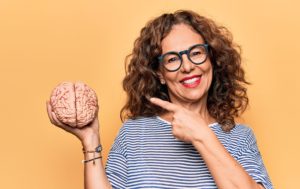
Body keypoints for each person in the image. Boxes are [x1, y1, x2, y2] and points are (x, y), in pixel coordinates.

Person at [46, 10, 273, 189]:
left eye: (196, 52)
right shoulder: (134, 133)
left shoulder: (240, 137)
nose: (187, 66)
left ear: (211, 58)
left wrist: (202, 134)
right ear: (160, 74)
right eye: (172, 59)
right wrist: (91, 142)